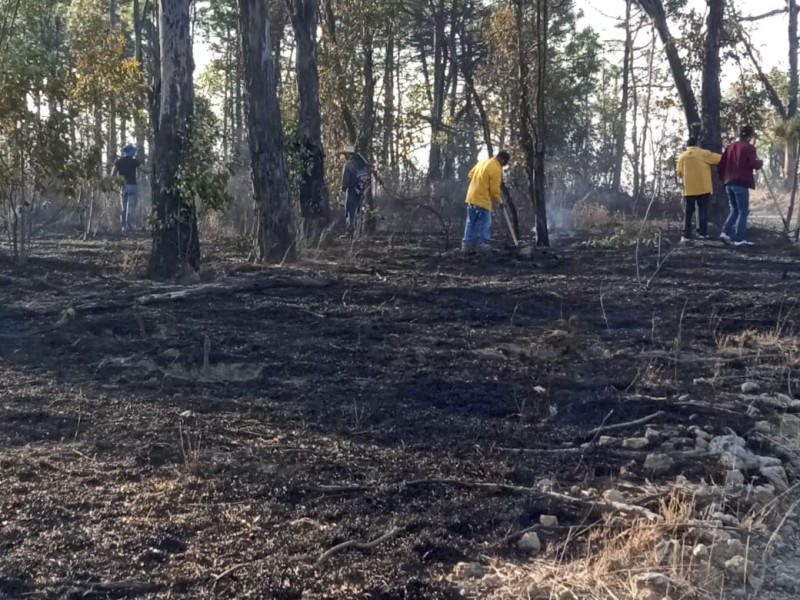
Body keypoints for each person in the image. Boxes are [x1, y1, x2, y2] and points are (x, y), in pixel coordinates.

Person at [718, 125, 763, 247]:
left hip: (728, 182)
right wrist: (760, 163)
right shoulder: (749, 147)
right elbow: (753, 163)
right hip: (740, 182)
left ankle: (725, 233)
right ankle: (739, 239)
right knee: (743, 210)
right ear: (750, 135)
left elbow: (721, 164)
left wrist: (723, 179)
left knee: (735, 209)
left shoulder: (730, 147)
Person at [462, 151, 510, 252]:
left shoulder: (482, 162)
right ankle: (483, 246)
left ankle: (466, 246)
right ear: (501, 159)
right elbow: (494, 190)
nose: (505, 165)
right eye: (505, 162)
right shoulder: (496, 169)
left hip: (471, 198)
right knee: (485, 223)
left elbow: (470, 175)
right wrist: (500, 202)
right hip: (482, 200)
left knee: (470, 223)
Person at [676, 137, 721, 243]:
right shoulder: (703, 153)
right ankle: (702, 233)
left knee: (688, 212)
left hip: (689, 189)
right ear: (697, 144)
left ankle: (686, 235)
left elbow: (679, 172)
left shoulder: (682, 156)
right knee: (703, 211)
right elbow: (719, 158)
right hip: (703, 187)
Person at [340, 145, 371, 236]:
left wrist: (343, 189)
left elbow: (346, 180)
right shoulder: (363, 164)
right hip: (362, 190)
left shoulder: (349, 164)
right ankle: (359, 232)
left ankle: (350, 232)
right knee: (359, 211)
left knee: (350, 211)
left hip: (352, 190)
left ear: (348, 154)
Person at [112, 144, 143, 233]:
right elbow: (145, 170)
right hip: (132, 186)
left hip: (123, 186)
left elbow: (112, 175)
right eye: (133, 151)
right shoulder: (134, 161)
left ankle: (123, 227)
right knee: (131, 207)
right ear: (130, 151)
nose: (134, 152)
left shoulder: (118, 162)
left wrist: (117, 182)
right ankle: (129, 226)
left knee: (124, 207)